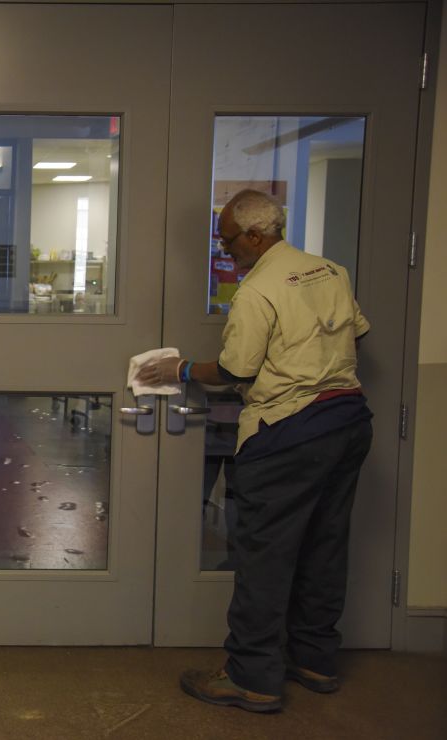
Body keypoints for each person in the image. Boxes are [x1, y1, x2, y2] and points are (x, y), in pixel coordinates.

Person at [139, 189, 372, 713]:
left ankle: (252, 676)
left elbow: (233, 372)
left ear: (255, 235)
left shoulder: (258, 289)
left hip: (289, 432)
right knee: (324, 546)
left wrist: (176, 369)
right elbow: (357, 331)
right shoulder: (330, 271)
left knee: (265, 557)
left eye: (227, 241)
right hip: (348, 423)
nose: (225, 252)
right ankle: (315, 659)